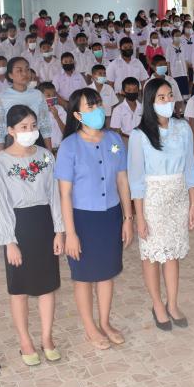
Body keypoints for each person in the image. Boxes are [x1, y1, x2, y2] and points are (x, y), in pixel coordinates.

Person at [56, 89, 134, 350]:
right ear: (78, 115)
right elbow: (64, 194)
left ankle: (105, 322)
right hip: (82, 219)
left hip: (110, 216)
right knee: (84, 276)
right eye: (90, 107)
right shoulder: (69, 146)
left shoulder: (114, 140)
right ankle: (90, 327)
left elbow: (122, 180)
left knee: (107, 272)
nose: (97, 109)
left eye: (98, 104)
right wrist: (70, 233)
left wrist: (128, 217)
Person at [0, 105, 64, 365]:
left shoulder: (45, 156)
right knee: (19, 288)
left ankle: (47, 338)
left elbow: (55, 194)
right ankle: (25, 341)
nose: (30, 131)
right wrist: (9, 241)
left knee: (47, 286)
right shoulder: (0, 162)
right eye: (23, 127)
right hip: (18, 226)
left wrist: (59, 230)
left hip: (44, 223)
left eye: (33, 126)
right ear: (11, 130)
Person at [127, 79, 194, 330]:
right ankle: (157, 304)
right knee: (152, 254)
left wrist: (192, 204)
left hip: (178, 196)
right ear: (150, 102)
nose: (168, 101)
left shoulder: (183, 128)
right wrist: (139, 217)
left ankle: (173, 303)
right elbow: (136, 179)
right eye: (162, 97)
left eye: (170, 96)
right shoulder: (139, 135)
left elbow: (190, 167)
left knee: (172, 253)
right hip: (153, 200)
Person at [0, 58, 52, 151]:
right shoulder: (1, 98)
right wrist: (0, 155)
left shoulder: (38, 95)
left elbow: (45, 125)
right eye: (19, 70)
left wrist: (49, 151)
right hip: (13, 143)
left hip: (36, 141)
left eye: (27, 69)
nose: (24, 73)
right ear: (10, 75)